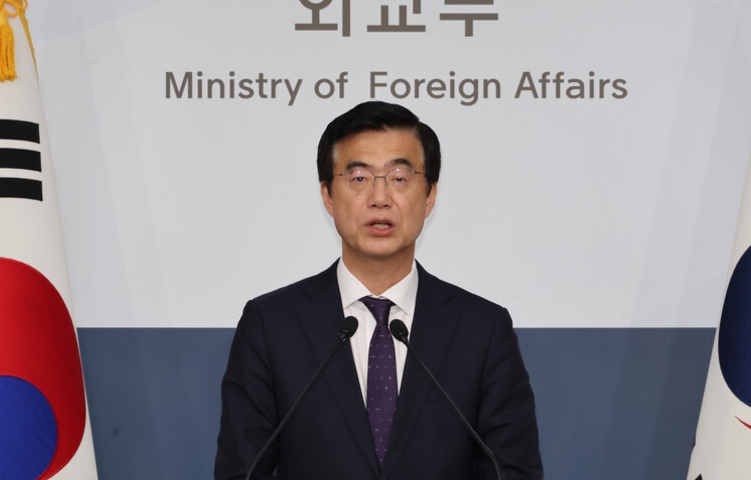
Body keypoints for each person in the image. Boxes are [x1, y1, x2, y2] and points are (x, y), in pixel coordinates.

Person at [215, 101, 543, 480]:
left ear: (430, 195)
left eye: (400, 177)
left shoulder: (482, 330)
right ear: (327, 195)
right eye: (359, 178)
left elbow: (512, 472)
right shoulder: (272, 326)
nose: (380, 197)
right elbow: (241, 472)